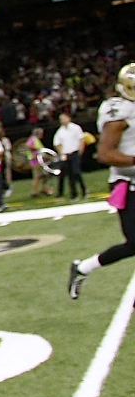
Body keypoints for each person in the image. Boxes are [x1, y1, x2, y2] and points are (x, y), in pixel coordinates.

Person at [70, 65, 135, 299]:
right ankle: (82, 268)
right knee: (134, 243)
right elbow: (105, 154)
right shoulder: (119, 113)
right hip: (128, 185)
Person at [54, 111, 87, 199]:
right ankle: (74, 194)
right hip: (66, 154)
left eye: (64, 118)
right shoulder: (60, 131)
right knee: (70, 175)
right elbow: (57, 143)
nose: (62, 121)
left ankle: (84, 190)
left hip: (75, 153)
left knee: (76, 172)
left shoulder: (76, 128)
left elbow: (81, 139)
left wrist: (80, 151)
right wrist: (61, 153)